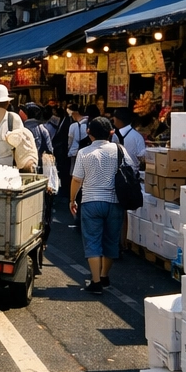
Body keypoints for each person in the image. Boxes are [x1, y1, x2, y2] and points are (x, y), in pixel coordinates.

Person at [69, 117, 125, 295]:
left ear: (88, 132)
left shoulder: (84, 152)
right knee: (111, 241)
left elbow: (77, 179)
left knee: (92, 241)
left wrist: (72, 200)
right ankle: (105, 276)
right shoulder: (119, 150)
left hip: (91, 201)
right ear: (111, 132)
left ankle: (95, 282)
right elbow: (131, 167)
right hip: (115, 201)